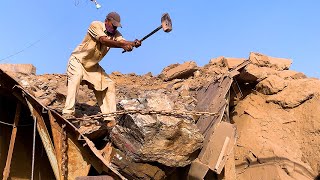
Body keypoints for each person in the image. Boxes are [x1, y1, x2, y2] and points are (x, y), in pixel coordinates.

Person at [62, 12, 141, 126]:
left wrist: (132, 44)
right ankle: (68, 112)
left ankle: (110, 118)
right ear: (106, 20)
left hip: (92, 66)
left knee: (109, 84)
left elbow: (122, 41)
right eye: (112, 25)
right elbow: (103, 40)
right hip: (78, 60)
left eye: (116, 26)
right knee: (76, 77)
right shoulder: (96, 25)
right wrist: (123, 45)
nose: (114, 28)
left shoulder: (116, 33)